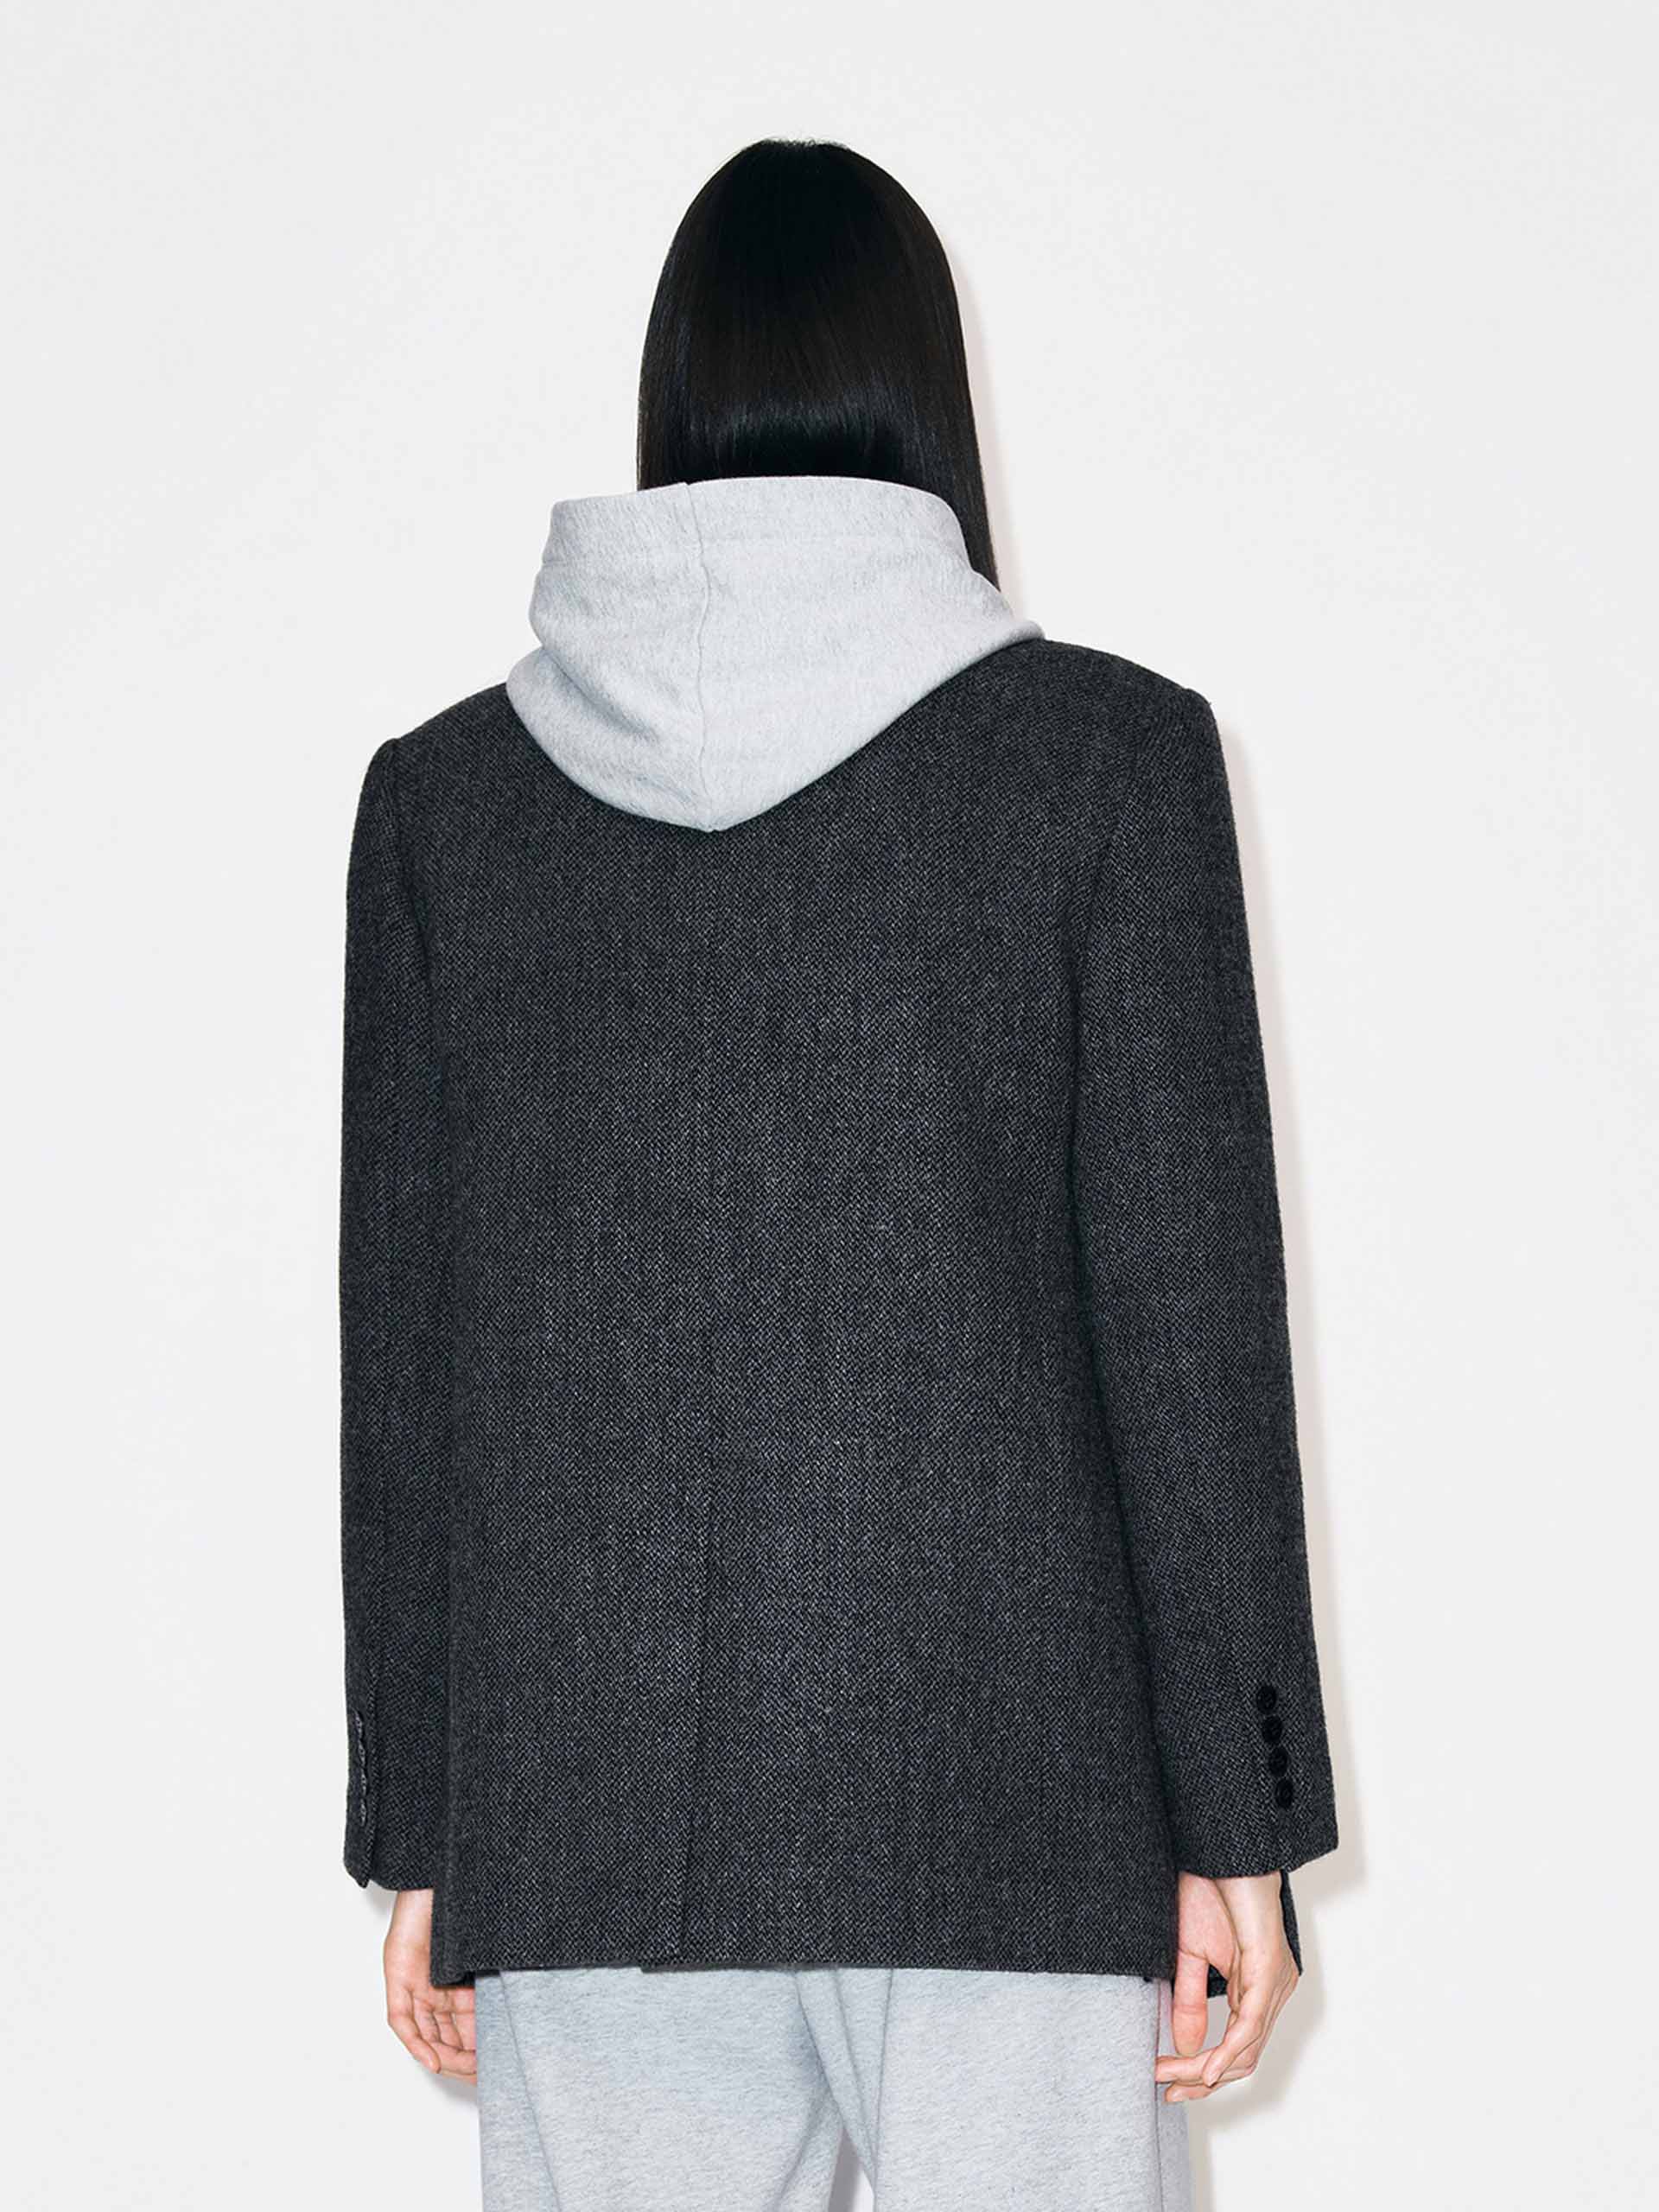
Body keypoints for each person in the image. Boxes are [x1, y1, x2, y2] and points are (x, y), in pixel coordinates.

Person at [338, 136, 1338, 2211]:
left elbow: (408, 1360)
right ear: (924, 401)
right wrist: (1234, 1816)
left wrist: (428, 1819)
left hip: (585, 1800)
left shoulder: (445, 807)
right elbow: (1184, 1326)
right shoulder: (1110, 762)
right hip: (1016, 1788)